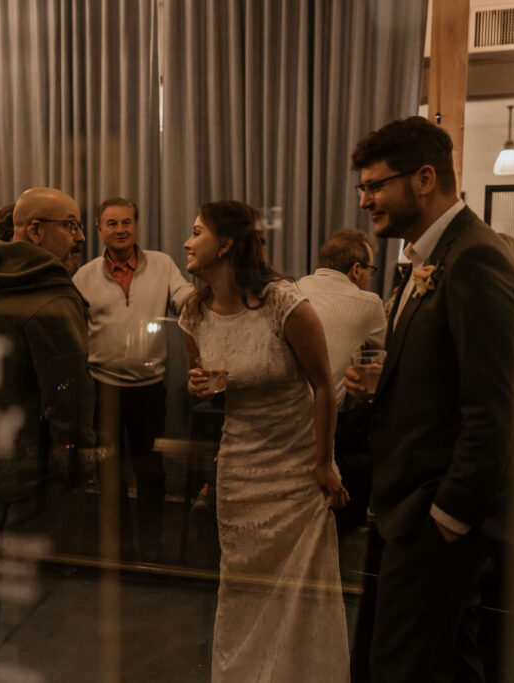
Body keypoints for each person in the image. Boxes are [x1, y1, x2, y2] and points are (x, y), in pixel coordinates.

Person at [345, 116, 514, 683]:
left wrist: (448, 516)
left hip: (433, 518)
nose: (366, 200)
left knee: (402, 667)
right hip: (404, 510)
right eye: (363, 187)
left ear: (424, 178)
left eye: (376, 186)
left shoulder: (474, 257)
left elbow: (495, 408)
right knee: (441, 663)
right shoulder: (431, 256)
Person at [179, 200, 350, 681]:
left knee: (300, 588)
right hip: (238, 469)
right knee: (242, 588)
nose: (187, 243)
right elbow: (205, 384)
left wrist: (323, 462)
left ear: (227, 243)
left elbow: (323, 386)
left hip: (296, 470)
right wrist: (198, 386)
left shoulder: (283, 303)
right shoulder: (193, 314)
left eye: (196, 233)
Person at [0, 187, 95, 530]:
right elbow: (68, 395)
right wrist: (77, 461)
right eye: (70, 225)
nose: (79, 237)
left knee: (2, 550)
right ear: (35, 229)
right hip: (34, 460)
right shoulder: (49, 297)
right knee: (36, 567)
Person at [73, 197, 194, 561]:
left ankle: (152, 545)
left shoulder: (163, 264)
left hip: (149, 391)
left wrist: (202, 298)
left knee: (150, 473)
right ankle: (121, 544)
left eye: (127, 222)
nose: (121, 229)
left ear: (136, 227)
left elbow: (184, 298)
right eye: (112, 223)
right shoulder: (84, 275)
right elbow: (74, 330)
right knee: (109, 475)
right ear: (99, 230)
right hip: (102, 389)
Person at [298, 229, 387, 407]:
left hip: (282, 415)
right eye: (370, 269)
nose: (370, 277)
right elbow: (388, 354)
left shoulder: (292, 289)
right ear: (356, 269)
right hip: (327, 421)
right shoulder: (369, 304)